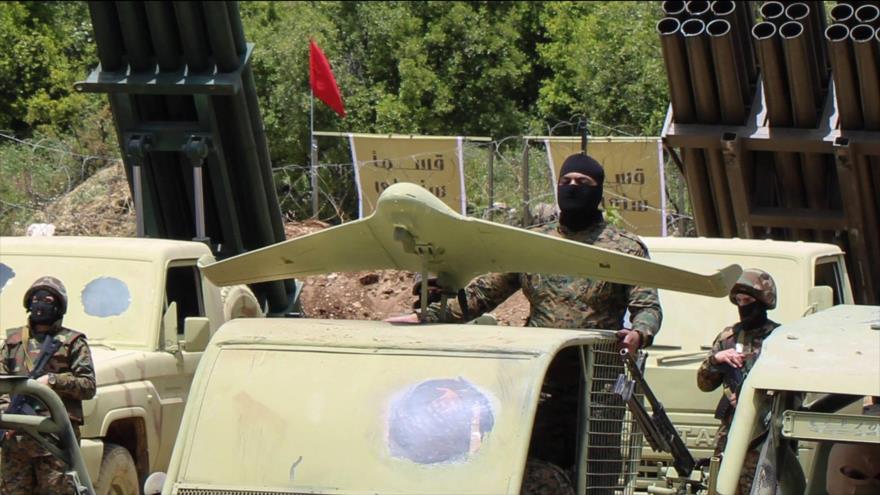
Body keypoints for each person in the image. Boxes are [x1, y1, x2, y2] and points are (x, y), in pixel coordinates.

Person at [389, 153, 663, 494]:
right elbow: (482, 296)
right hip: (540, 381)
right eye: (567, 182)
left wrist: (638, 333)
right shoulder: (533, 244)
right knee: (532, 468)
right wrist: (424, 316)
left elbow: (648, 306)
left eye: (584, 183)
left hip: (597, 386)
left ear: (599, 192)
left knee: (594, 477)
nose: (574, 188)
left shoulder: (624, 249)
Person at [0, 276, 96, 494]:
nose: (40, 304)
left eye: (47, 299)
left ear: (58, 305)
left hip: (54, 441)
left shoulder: (72, 342)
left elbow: (88, 385)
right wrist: (5, 414)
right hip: (16, 441)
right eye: (35, 299)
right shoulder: (13, 343)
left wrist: (53, 381)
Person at [697, 268, 779, 495]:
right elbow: (704, 384)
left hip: (763, 434)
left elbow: (794, 390)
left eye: (749, 300)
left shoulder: (779, 338)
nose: (744, 306)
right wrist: (716, 360)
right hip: (731, 432)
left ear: (763, 301)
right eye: (739, 301)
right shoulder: (728, 337)